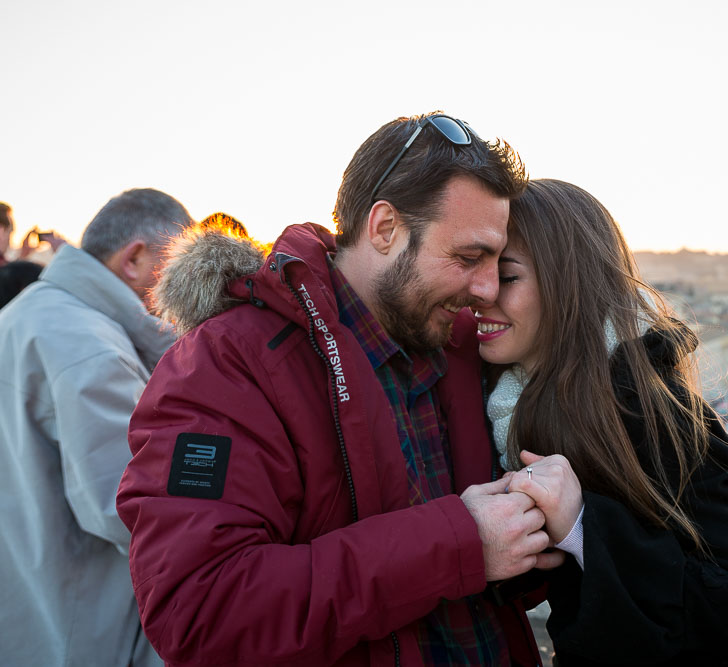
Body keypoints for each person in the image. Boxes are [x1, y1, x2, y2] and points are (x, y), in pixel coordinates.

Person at [117, 112, 562, 667]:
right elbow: (202, 612)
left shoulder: (468, 346)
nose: (486, 288)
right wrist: (457, 544)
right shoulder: (229, 365)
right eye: (468, 258)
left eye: (498, 263)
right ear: (383, 229)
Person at [475, 179, 728, 665]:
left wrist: (581, 526)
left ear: (567, 282)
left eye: (506, 276)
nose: (481, 292)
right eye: (476, 269)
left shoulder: (657, 408)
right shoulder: (504, 404)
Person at [0, 188, 194, 667]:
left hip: (29, 608)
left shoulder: (24, 315)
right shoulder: (90, 348)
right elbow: (132, 511)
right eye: (174, 272)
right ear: (134, 260)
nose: (178, 293)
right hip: (83, 630)